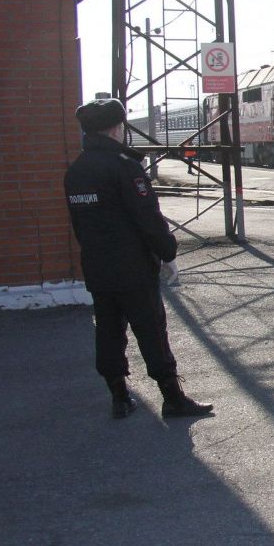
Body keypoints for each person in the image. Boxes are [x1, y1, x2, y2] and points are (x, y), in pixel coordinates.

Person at [64, 98, 214, 420]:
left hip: (98, 268)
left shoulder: (76, 171)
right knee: (151, 330)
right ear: (117, 128)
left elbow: (80, 226)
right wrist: (167, 252)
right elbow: (147, 217)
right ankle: (173, 399)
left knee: (108, 330)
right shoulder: (123, 167)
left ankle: (119, 397)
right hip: (133, 269)